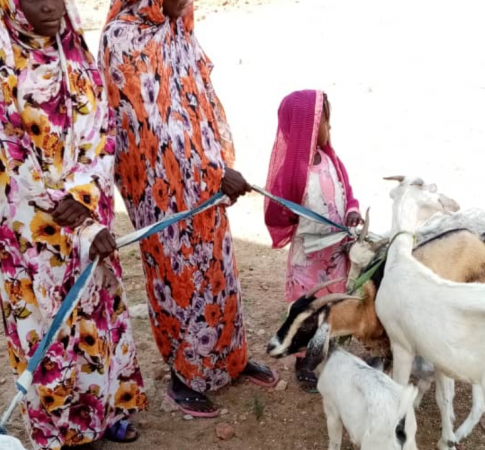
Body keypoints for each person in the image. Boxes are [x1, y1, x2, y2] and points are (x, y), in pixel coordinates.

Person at [0, 0, 146, 447]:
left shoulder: (75, 50)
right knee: (48, 326)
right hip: (31, 228)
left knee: (96, 313)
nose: (50, 5)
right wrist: (63, 206)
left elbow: (101, 130)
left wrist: (85, 201)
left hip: (87, 210)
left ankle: (105, 413)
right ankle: (62, 432)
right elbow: (5, 159)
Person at [99, 0, 278, 418]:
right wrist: (212, 171)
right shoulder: (123, 37)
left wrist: (222, 164)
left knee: (219, 271)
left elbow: (201, 101)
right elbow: (151, 128)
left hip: (205, 180)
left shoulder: (178, 27)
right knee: (177, 279)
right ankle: (183, 376)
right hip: (159, 187)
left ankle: (229, 362)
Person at [264, 89, 362, 392]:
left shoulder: (332, 160)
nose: (328, 128)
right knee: (308, 306)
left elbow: (347, 191)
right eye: (324, 121)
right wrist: (296, 219)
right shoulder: (293, 173)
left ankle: (324, 345)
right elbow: (278, 213)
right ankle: (304, 358)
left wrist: (352, 212)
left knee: (330, 303)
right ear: (305, 126)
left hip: (335, 255)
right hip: (309, 259)